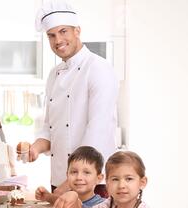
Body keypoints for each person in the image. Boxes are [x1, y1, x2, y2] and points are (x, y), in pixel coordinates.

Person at [20, 1, 118, 198]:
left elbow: (96, 134)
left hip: (91, 185)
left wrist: (66, 187)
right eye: (51, 35)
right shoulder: (54, 74)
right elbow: (50, 128)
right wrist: (35, 149)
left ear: (77, 31)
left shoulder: (99, 69)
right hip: (59, 180)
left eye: (63, 31)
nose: (58, 40)